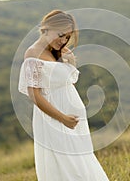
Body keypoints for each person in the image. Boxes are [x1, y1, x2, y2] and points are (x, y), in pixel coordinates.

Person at [18, 10, 109, 181]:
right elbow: (35, 95)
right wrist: (62, 118)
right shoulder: (32, 54)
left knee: (82, 164)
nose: (63, 40)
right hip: (54, 119)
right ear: (46, 28)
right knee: (67, 168)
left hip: (73, 121)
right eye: (61, 35)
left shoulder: (57, 51)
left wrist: (71, 61)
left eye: (67, 37)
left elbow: (66, 82)